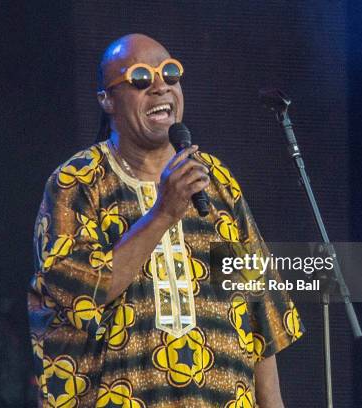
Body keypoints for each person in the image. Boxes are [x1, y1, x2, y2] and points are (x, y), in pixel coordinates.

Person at [28, 33, 304, 408]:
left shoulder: (216, 181)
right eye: (141, 79)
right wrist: (163, 214)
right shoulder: (77, 182)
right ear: (106, 99)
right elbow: (80, 292)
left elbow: (260, 313)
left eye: (170, 74)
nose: (161, 87)